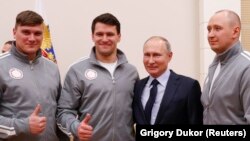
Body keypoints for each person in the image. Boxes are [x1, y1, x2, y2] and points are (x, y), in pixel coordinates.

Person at [56, 13, 139, 141]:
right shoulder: (77, 71)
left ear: (119, 37)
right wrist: (75, 127)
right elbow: (63, 112)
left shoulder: (131, 72)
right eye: (99, 34)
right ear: (92, 36)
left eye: (110, 34)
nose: (104, 39)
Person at [0, 10, 61, 140]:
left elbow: (59, 112)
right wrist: (23, 125)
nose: (32, 38)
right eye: (26, 32)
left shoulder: (52, 68)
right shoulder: (1, 66)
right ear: (14, 32)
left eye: (37, 33)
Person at [133, 36, 203, 125]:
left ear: (169, 56)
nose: (150, 61)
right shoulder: (138, 86)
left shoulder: (188, 87)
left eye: (156, 55)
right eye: (147, 55)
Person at [201, 10, 250, 124]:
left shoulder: (247, 66)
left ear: (235, 32)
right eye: (209, 29)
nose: (211, 34)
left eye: (217, 28)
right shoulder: (214, 66)